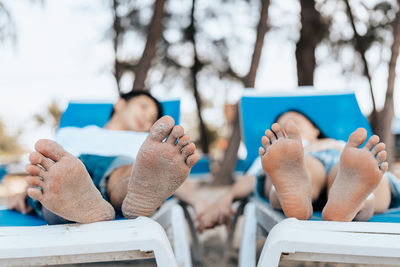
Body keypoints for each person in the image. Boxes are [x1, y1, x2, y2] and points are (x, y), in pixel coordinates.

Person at [7, 91, 201, 224]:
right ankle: (79, 207)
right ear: (120, 104)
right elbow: (46, 169)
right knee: (58, 184)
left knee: (130, 174)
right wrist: (25, 191)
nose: (147, 118)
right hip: (72, 172)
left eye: (152, 118)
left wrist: (199, 203)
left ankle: (134, 202)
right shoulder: (72, 133)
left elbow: (165, 176)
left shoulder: (149, 142)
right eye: (143, 107)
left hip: (122, 170)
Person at [197, 111, 400, 231]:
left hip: (344, 165)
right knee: (303, 171)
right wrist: (228, 196)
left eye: (296, 119)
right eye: (282, 123)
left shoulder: (337, 144)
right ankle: (297, 196)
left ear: (315, 130)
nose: (289, 124)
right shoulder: (276, 152)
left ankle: (356, 199)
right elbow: (251, 179)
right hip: (301, 165)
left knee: (360, 172)